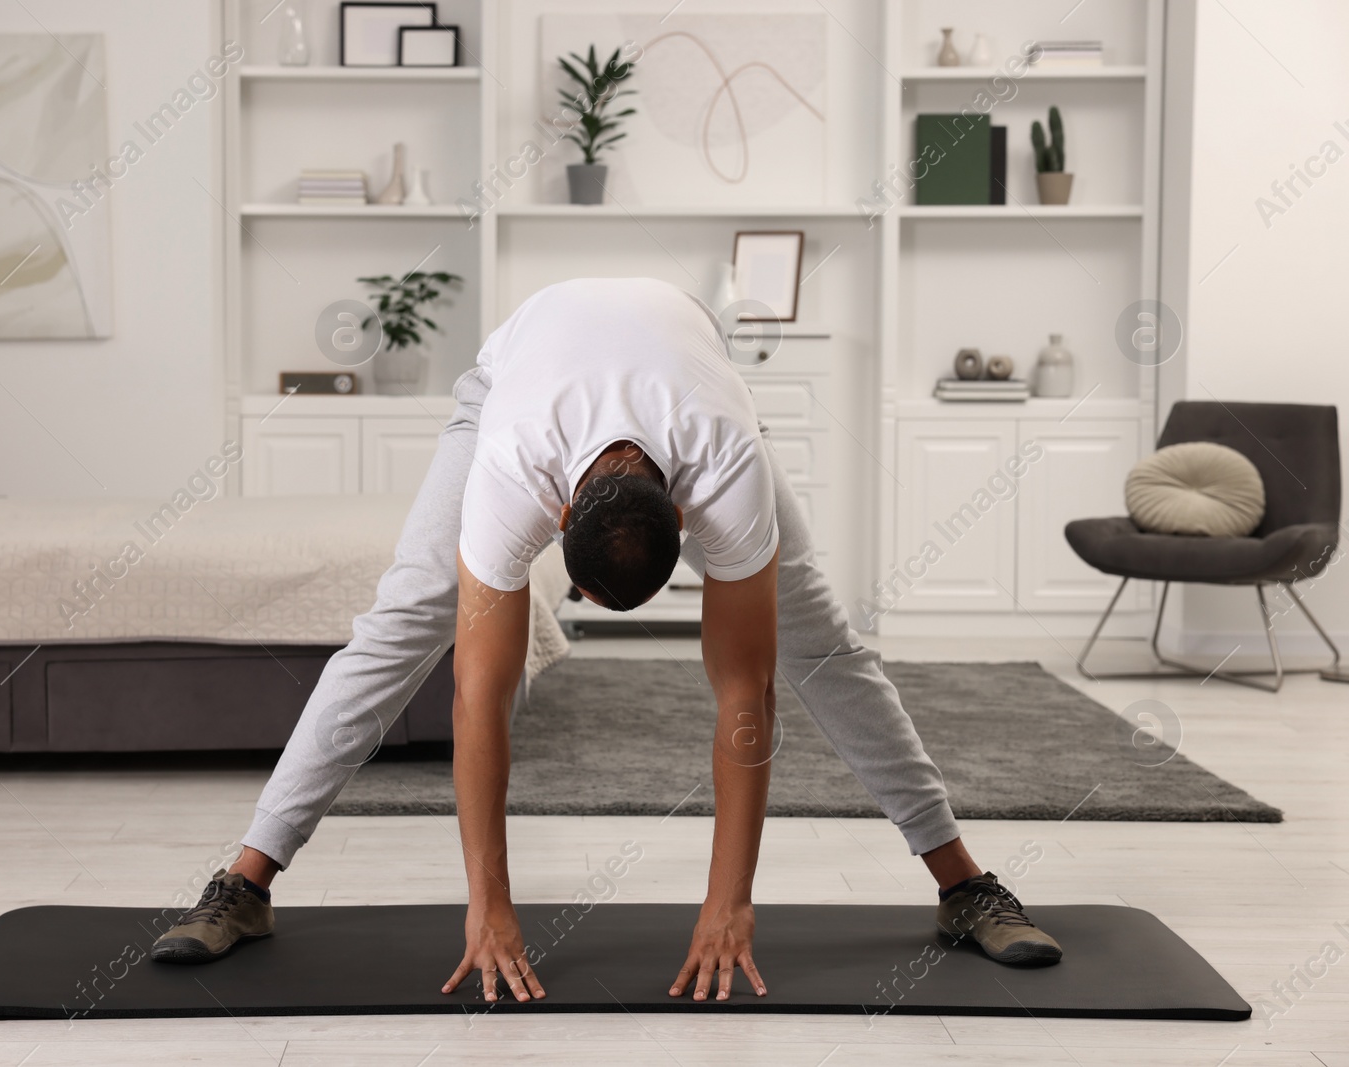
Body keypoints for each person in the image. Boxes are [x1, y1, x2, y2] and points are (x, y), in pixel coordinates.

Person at [149, 278, 1062, 998]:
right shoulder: (513, 471)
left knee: (820, 644)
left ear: (686, 517)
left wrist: (729, 902)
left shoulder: (726, 463)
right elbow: (480, 698)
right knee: (403, 622)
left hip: (698, 379)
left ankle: (963, 883)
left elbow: (747, 694)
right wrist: (489, 906)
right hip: (515, 381)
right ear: (554, 519)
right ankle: (247, 882)